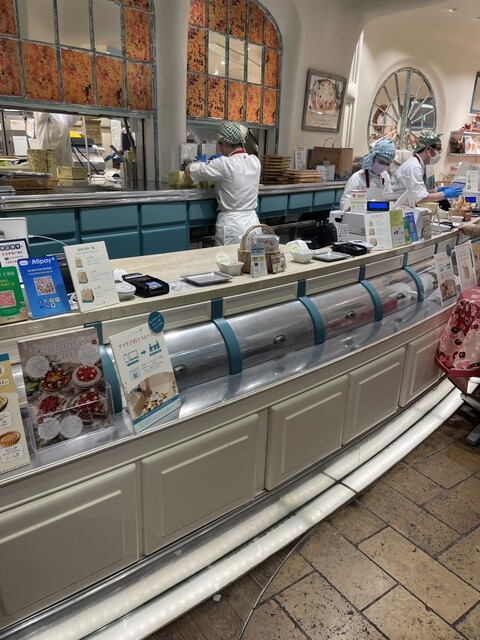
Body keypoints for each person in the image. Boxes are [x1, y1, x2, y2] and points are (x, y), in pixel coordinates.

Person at [185, 122, 261, 245]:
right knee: (251, 257)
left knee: (227, 257)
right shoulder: (255, 161)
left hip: (232, 226)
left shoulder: (223, 163)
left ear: (224, 144)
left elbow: (189, 170)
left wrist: (200, 162)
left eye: (219, 145)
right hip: (253, 224)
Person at [390, 131, 463, 205]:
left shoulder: (419, 165)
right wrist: (444, 194)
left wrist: (436, 191)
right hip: (398, 206)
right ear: (428, 149)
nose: (438, 153)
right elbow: (420, 198)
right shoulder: (414, 167)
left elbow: (417, 191)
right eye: (438, 149)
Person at [341, 138, 396, 209]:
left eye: (387, 164)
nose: (383, 166)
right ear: (373, 158)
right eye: (381, 162)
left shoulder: (385, 176)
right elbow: (344, 205)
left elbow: (389, 199)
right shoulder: (357, 178)